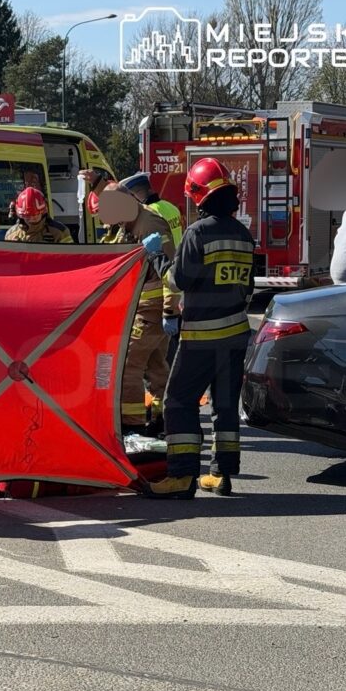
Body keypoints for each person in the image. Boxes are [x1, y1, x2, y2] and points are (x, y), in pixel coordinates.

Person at [145, 158, 255, 499]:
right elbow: (248, 288)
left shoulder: (198, 233)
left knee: (178, 401)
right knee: (224, 404)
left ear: (199, 195)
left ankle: (181, 477)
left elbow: (179, 279)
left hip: (202, 337)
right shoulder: (243, 235)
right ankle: (221, 474)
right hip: (236, 335)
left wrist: (157, 255)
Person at [88, 184, 177, 437]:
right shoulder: (130, 222)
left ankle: (132, 424)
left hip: (151, 309)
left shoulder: (150, 225)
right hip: (143, 308)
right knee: (156, 366)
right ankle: (165, 419)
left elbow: (170, 273)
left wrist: (170, 312)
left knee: (127, 365)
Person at [119, 172, 185, 365]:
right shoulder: (170, 207)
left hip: (162, 278)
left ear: (135, 195)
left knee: (157, 356)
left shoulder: (150, 212)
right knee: (164, 354)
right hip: (175, 276)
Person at [4, 187, 73, 243]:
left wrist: (52, 249)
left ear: (43, 212)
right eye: (27, 216)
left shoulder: (59, 232)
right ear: (20, 215)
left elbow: (70, 257)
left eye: (36, 215)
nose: (32, 218)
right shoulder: (11, 234)